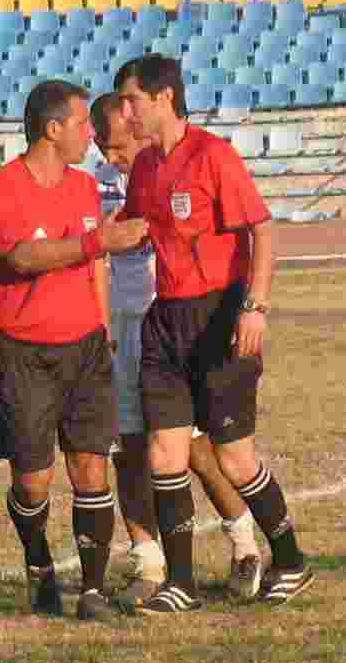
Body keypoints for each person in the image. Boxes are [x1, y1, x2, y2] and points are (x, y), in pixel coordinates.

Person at [114, 55, 315, 614]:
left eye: (130, 100)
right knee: (164, 453)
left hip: (221, 316)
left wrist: (256, 307)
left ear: (163, 98)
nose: (124, 112)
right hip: (166, 320)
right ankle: (181, 583)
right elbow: (132, 230)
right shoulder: (146, 166)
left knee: (233, 459)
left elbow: (263, 229)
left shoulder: (213, 155)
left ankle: (291, 560)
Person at [0, 79, 148, 622]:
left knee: (92, 469)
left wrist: (102, 328)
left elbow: (93, 264)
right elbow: (25, 257)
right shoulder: (1, 188)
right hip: (23, 353)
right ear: (53, 129)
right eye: (81, 124)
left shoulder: (83, 187)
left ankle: (92, 590)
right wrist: (98, 243)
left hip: (85, 348)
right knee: (32, 482)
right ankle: (39, 564)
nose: (91, 135)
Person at [89, 92, 263, 609]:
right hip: (120, 327)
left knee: (195, 448)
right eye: (110, 144)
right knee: (129, 450)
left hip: (171, 320)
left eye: (124, 138)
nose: (118, 150)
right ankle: (149, 562)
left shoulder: (173, 164)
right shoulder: (91, 185)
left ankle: (244, 546)